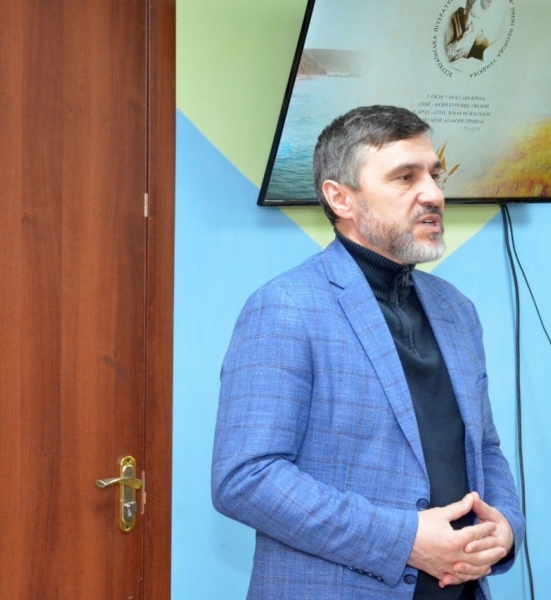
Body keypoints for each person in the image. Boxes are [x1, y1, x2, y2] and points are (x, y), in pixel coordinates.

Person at [212, 105, 525, 599]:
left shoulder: (456, 311)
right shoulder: (287, 306)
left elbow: (484, 448)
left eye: (434, 175)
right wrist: (404, 540)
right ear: (341, 198)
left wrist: (504, 528)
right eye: (405, 177)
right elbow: (246, 478)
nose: (434, 194)